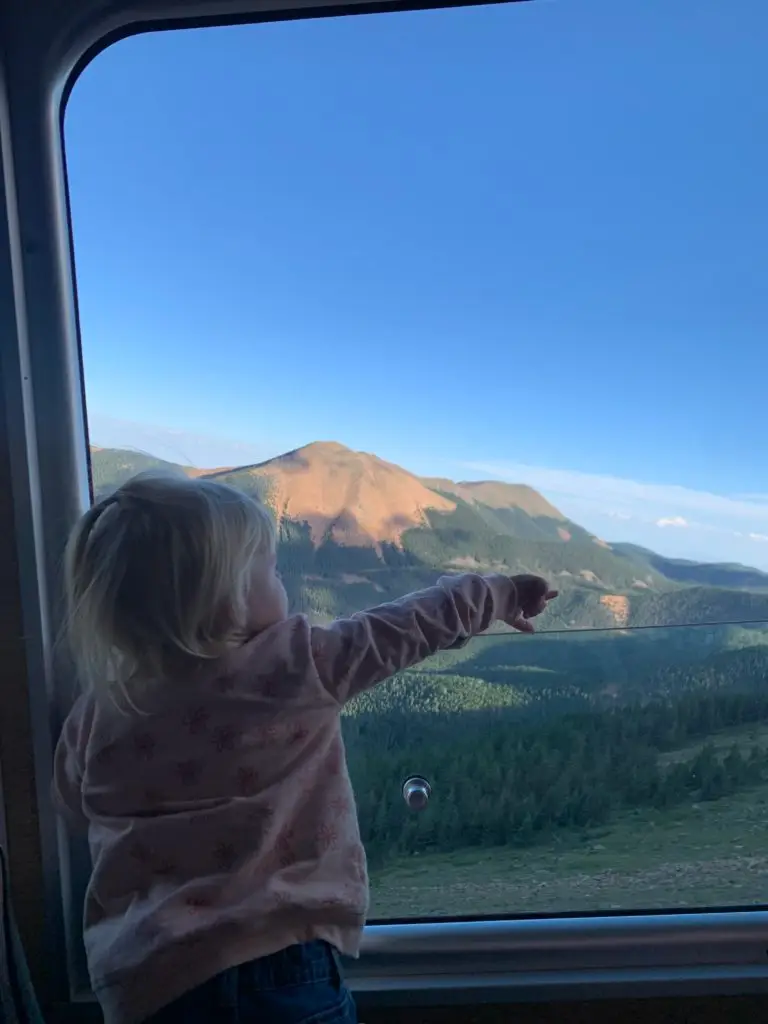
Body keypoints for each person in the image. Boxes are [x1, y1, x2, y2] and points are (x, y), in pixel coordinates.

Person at [52, 471, 557, 1024]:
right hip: (278, 967)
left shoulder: (99, 710)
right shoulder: (295, 666)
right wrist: (500, 593)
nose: (281, 581)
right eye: (270, 568)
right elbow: (404, 628)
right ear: (225, 599)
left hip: (145, 982)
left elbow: (77, 809)